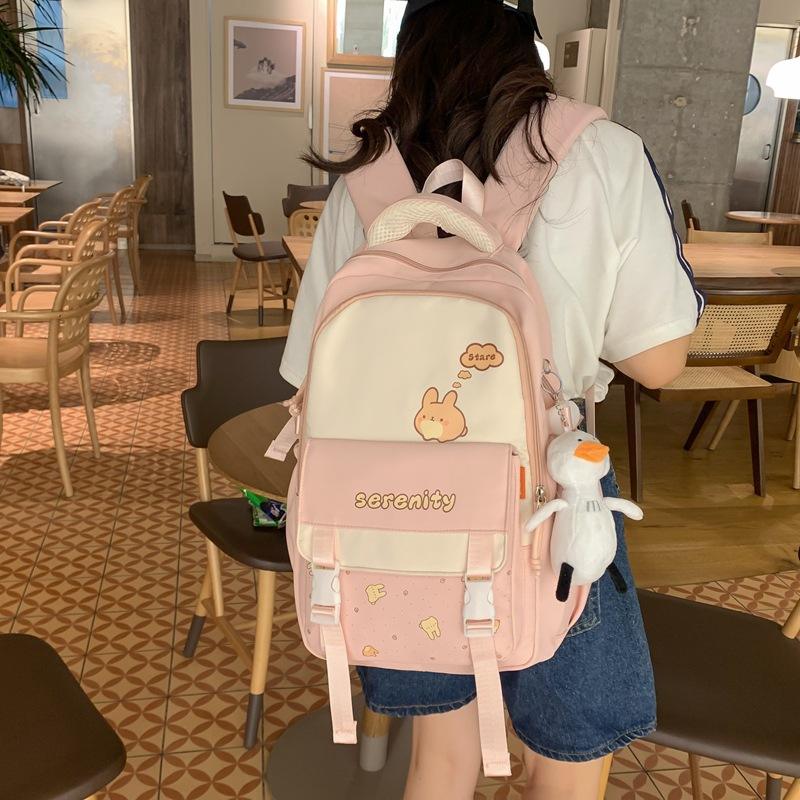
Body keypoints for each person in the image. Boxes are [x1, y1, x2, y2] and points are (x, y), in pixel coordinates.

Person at [280, 1, 702, 797]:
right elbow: (661, 361)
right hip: (552, 499)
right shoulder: (602, 153)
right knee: (564, 768)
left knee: (441, 758)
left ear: (410, 54)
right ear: (527, 50)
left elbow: (310, 376)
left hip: (389, 512)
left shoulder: (365, 180)